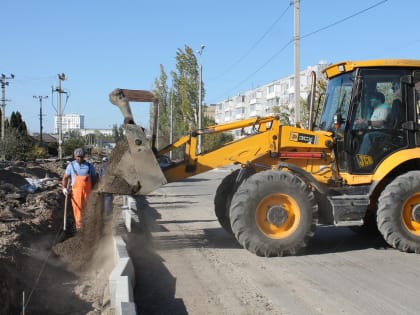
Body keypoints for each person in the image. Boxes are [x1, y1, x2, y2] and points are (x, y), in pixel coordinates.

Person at [62, 148, 98, 230]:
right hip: (76, 193)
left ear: (84, 156)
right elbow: (65, 178)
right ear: (74, 156)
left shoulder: (89, 166)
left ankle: (89, 227)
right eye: (78, 156)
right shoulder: (71, 166)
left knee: (89, 209)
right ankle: (79, 228)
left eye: (81, 157)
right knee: (77, 210)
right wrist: (64, 188)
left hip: (88, 192)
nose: (80, 158)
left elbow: (95, 178)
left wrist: (95, 189)